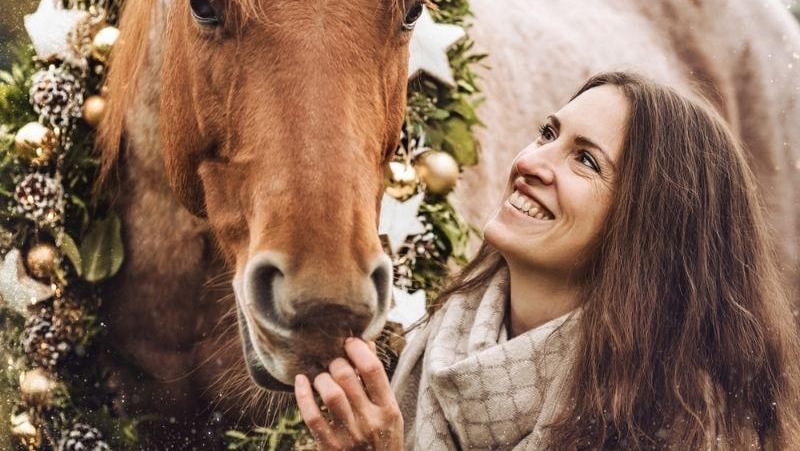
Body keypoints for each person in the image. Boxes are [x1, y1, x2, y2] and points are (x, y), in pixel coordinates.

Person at [294, 71, 800, 449]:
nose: (530, 163)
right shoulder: (424, 345)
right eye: (547, 133)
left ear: (653, 226)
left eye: (585, 160)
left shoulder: (683, 423)